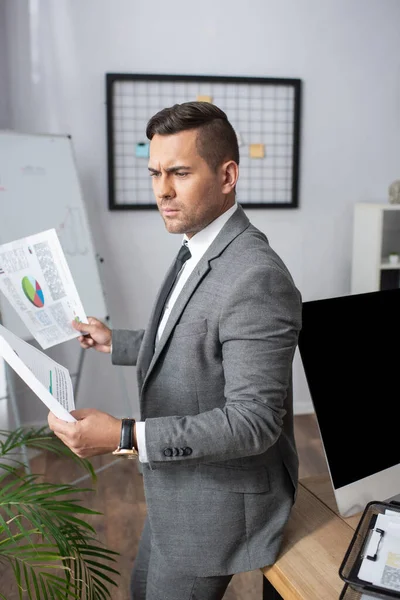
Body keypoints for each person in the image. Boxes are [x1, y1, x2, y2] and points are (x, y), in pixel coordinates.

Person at [48, 101, 302, 600]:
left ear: (227, 176)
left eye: (180, 173)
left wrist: (124, 434)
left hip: (218, 509)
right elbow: (191, 342)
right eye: (155, 173)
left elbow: (254, 421)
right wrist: (114, 341)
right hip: (177, 486)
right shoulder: (199, 244)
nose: (162, 190)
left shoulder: (256, 277)